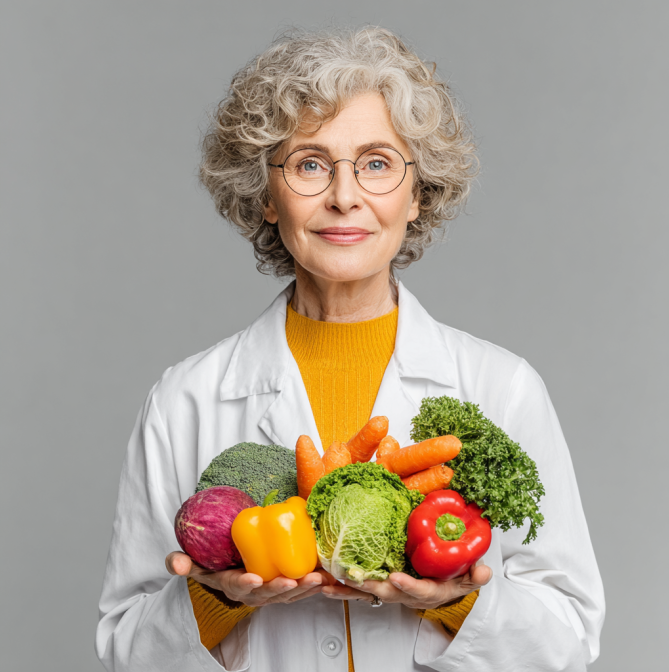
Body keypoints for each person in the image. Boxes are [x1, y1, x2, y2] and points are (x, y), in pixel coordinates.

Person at [96, 26, 604, 672]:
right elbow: (124, 649)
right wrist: (211, 600)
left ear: (417, 195)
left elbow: (569, 640)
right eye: (310, 163)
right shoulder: (182, 401)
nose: (344, 195)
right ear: (267, 198)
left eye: (377, 163)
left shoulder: (503, 389)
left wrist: (457, 603)